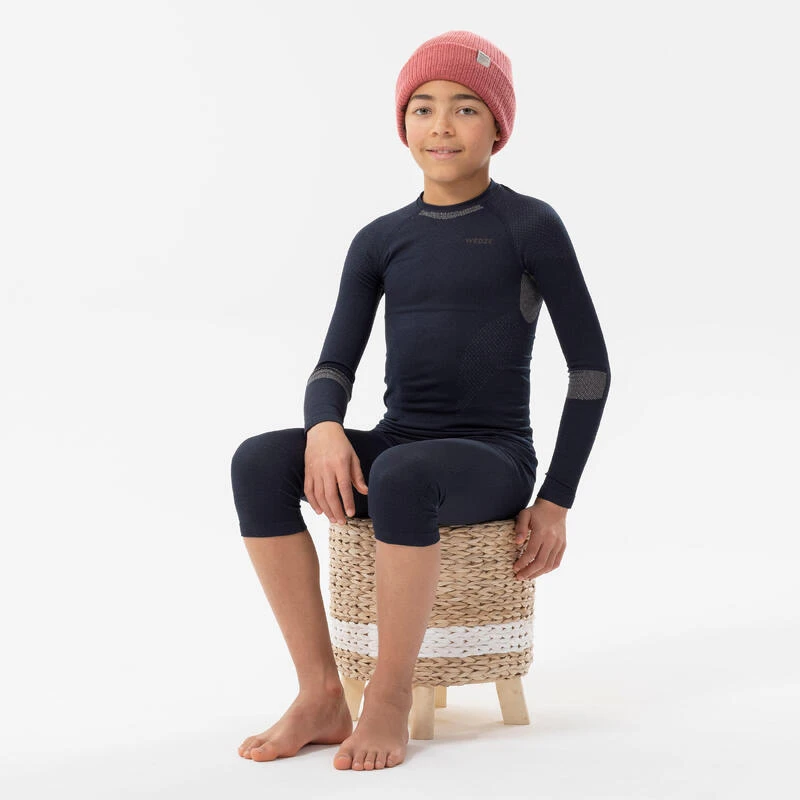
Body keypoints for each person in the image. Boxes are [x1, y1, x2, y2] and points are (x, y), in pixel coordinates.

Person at [230, 29, 611, 771]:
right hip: (403, 439)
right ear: (402, 124)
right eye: (423, 108)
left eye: (465, 108)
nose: (441, 126)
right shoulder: (381, 239)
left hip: (493, 455)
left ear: (498, 127)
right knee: (257, 462)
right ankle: (320, 693)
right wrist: (323, 428)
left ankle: (387, 698)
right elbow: (333, 364)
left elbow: (590, 370)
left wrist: (557, 500)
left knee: (403, 474)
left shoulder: (529, 226)